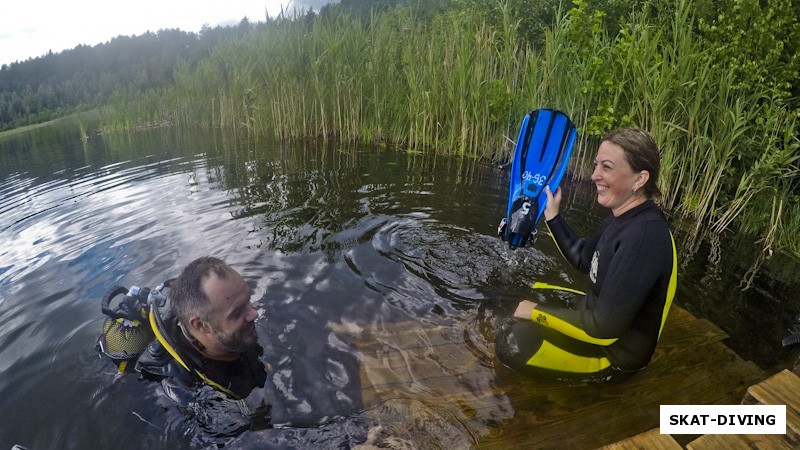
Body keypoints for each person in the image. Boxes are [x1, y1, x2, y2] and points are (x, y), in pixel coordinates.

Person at [495, 128, 678, 381]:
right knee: (521, 291)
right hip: (595, 314)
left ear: (639, 179)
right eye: (596, 165)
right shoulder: (623, 216)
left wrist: (534, 311)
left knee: (513, 342)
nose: (595, 175)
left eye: (607, 167)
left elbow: (602, 329)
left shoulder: (644, 237)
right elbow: (584, 257)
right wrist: (553, 216)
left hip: (612, 354)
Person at [136, 256, 271, 442]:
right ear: (201, 326)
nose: (254, 313)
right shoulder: (183, 390)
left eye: (249, 300)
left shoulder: (231, 331)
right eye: (238, 312)